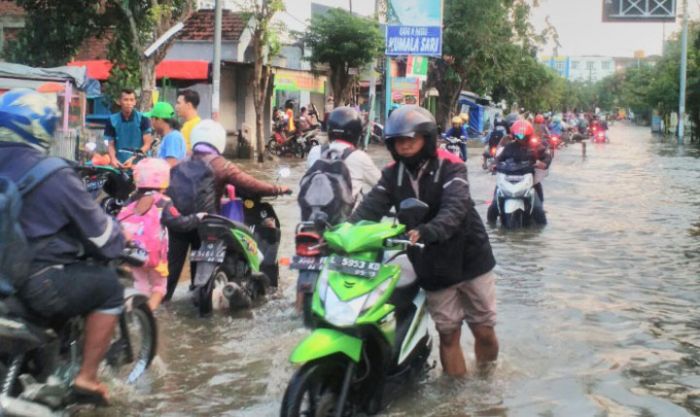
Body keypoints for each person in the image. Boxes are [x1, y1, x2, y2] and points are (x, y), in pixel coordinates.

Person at [350, 105, 499, 378]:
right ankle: (456, 398)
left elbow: (455, 208)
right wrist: (342, 234)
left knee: (484, 330)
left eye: (411, 139)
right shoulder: (392, 174)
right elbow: (368, 210)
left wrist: (428, 230)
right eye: (398, 141)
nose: (405, 146)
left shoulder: (452, 165)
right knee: (448, 333)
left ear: (426, 138)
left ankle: (487, 382)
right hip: (431, 263)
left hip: (470, 258)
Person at [0, 89, 125, 403]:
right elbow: (101, 237)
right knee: (109, 287)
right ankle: (86, 378)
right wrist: (120, 238)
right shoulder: (52, 173)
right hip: (34, 282)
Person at [165, 120, 291, 300]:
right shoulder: (221, 164)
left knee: (172, 268)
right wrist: (278, 189)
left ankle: (160, 306)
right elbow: (250, 184)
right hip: (206, 222)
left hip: (179, 222)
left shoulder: (182, 162)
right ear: (218, 140)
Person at [118, 158, 202, 311]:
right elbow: (180, 223)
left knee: (141, 285)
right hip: (155, 255)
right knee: (159, 287)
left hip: (134, 253)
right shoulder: (163, 201)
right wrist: (197, 218)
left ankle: (132, 313)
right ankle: (148, 316)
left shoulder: (131, 199)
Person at [307, 106, 381, 204]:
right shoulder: (359, 157)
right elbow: (383, 185)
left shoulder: (315, 151)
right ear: (357, 133)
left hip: (312, 216)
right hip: (349, 217)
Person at [491, 119, 551, 215]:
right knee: (494, 204)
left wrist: (543, 163)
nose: (521, 138)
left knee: (539, 212)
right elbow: (499, 158)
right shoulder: (509, 146)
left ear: (529, 135)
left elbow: (547, 156)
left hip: (528, 178)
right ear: (514, 135)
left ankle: (540, 210)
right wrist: (493, 164)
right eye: (518, 135)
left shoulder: (535, 146)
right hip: (509, 177)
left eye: (523, 136)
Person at [104, 88, 153, 168]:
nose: (129, 103)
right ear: (119, 101)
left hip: (140, 165)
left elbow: (147, 144)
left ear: (135, 102)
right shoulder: (112, 120)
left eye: (131, 100)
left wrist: (133, 159)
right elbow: (110, 144)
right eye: (126, 100)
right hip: (119, 164)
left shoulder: (143, 119)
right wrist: (113, 159)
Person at [147, 101, 186, 166]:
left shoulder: (173, 137)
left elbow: (170, 165)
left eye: (152, 119)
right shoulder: (169, 136)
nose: (151, 123)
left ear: (159, 119)